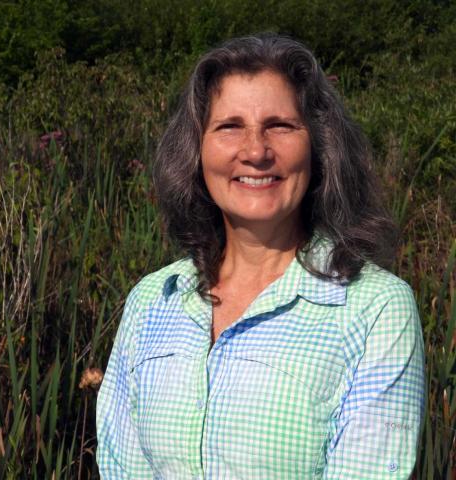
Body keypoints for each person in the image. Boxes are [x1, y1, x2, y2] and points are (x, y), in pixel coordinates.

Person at [96, 34, 425, 479]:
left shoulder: (376, 310)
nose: (255, 151)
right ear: (197, 149)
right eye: (230, 126)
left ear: (319, 146)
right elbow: (122, 467)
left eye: (281, 125)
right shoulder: (152, 301)